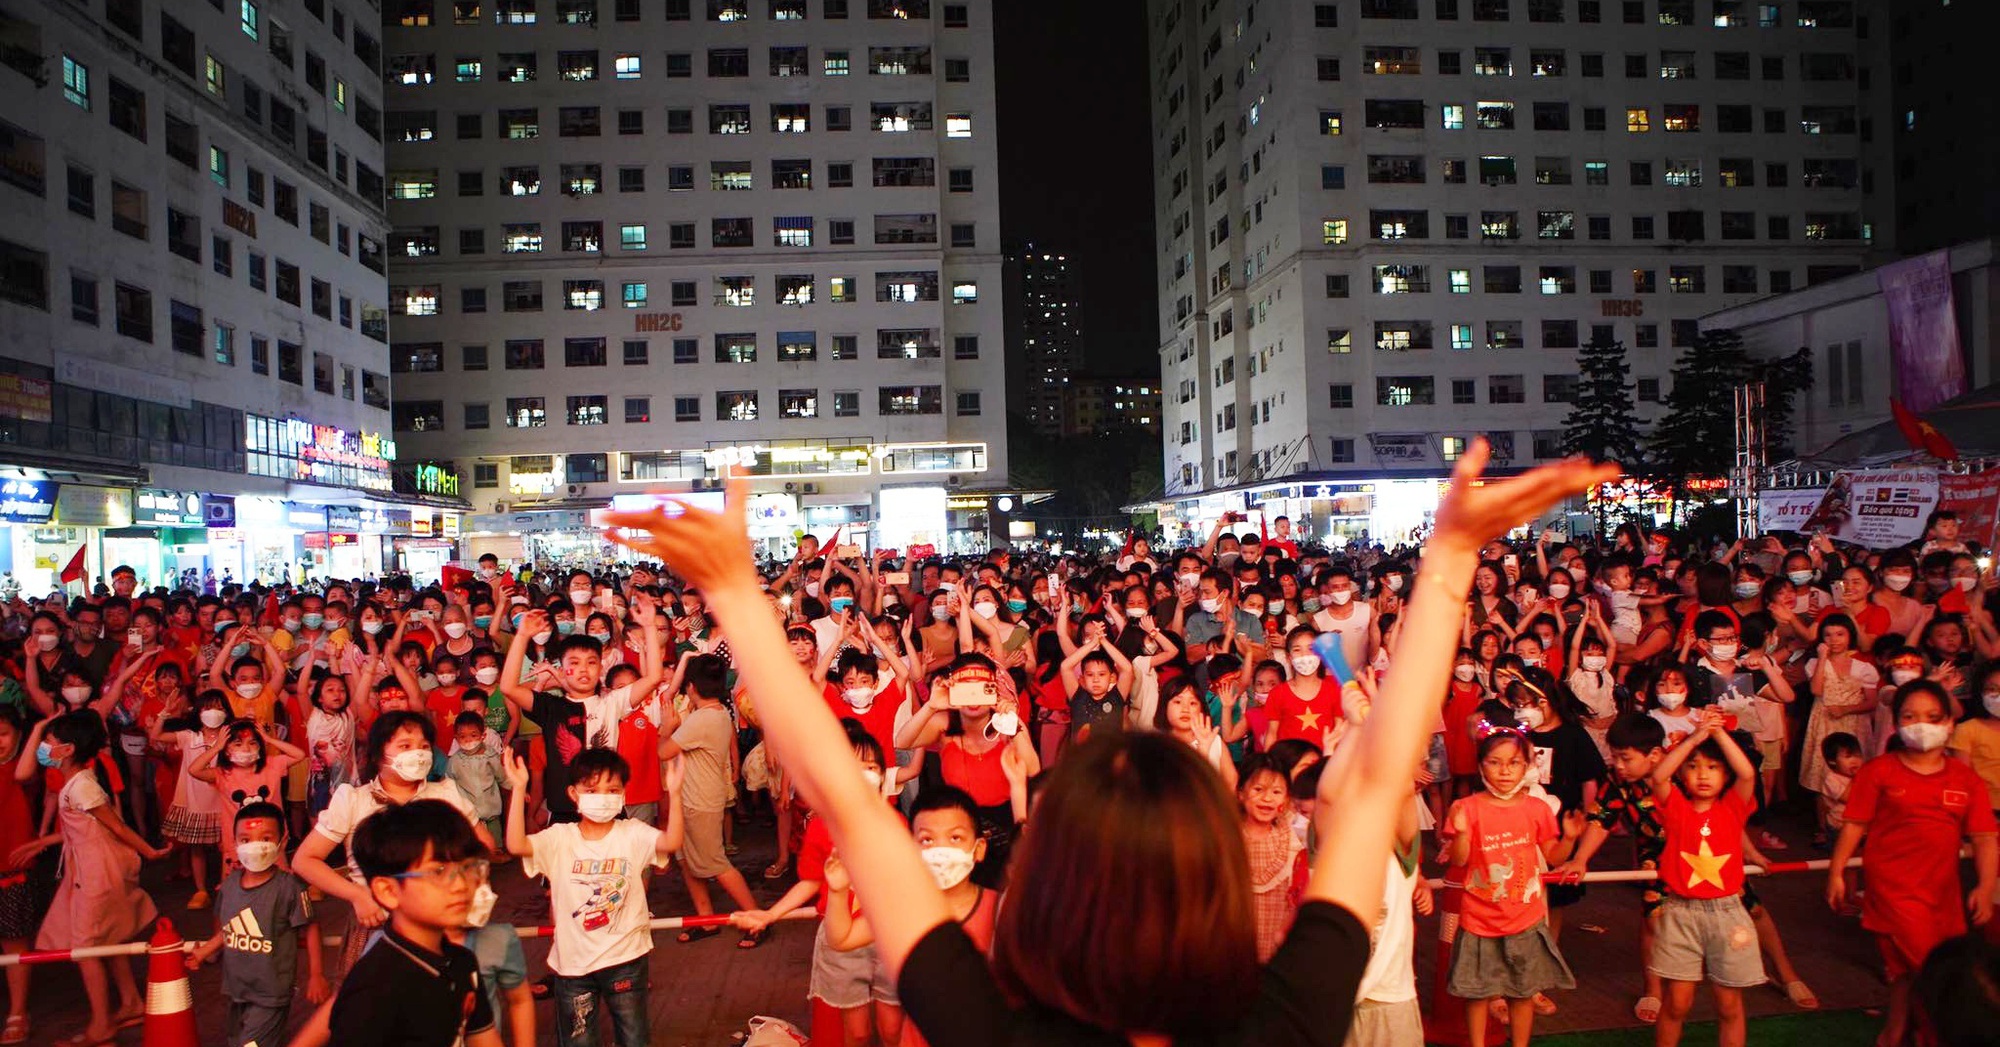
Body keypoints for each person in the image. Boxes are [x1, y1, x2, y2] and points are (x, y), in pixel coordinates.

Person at [602, 437, 1615, 1046]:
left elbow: (847, 799)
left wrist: (735, 591)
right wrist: (1446, 565)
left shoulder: (983, 1031)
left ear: (1043, 890)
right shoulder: (1288, 1023)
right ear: (1218, 886)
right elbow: (1372, 788)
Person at [1827, 679, 1999, 1046]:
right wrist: (1837, 872)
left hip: (1944, 896)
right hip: (1893, 892)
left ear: (1949, 723)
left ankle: (1893, 1035)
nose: (1922, 724)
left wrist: (1985, 887)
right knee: (1937, 976)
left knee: (1907, 976)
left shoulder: (1965, 778)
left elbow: (1984, 837)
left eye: (1932, 717)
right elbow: (1855, 825)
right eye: (1910, 716)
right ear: (1897, 722)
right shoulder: (1879, 772)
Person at [503, 747, 684, 1047]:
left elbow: (672, 841)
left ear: (624, 793)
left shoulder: (633, 833)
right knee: (579, 1042)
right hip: (573, 967)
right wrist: (519, 787)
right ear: (573, 794)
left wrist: (675, 795)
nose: (603, 796)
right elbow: (516, 845)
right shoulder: (559, 838)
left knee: (634, 1038)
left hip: (626, 958)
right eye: (592, 789)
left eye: (612, 789)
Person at [12, 711, 168, 1045]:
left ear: (67, 749)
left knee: (86, 951)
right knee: (107, 940)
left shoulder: (82, 786)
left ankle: (102, 1025)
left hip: (97, 875)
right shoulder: (76, 782)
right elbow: (83, 828)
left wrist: (150, 852)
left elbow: (115, 826)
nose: (44, 747)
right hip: (90, 870)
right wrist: (42, 841)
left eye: (49, 742)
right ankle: (130, 1002)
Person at [325, 799, 503, 1047]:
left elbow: (484, 1038)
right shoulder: (373, 991)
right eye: (438, 871)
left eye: (468, 867)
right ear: (388, 891)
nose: (462, 885)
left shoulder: (462, 962)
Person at [1444, 727, 1582, 1047]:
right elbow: (1460, 860)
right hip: (1479, 919)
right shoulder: (1466, 808)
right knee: (1477, 994)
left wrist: (1571, 838)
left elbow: (1552, 855)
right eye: (1495, 762)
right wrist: (1462, 833)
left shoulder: (1537, 809)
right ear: (1481, 766)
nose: (1505, 770)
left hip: (1525, 918)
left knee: (1522, 993)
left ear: (1527, 766)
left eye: (1514, 763)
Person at [1645, 710, 1762, 1047]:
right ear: (1683, 773)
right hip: (1681, 913)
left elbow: (1747, 773)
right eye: (1693, 767)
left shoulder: (1732, 808)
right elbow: (1659, 776)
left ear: (1725, 774)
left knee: (1728, 1004)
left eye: (1712, 767)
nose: (1703, 775)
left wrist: (1719, 732)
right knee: (1677, 1002)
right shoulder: (1677, 808)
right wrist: (1697, 736)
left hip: (1728, 914)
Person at [185, 802, 330, 1047]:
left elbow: (311, 927)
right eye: (245, 839)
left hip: (271, 993)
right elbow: (230, 929)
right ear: (233, 843)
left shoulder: (290, 888)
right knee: (238, 1041)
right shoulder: (230, 886)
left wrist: (316, 974)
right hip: (235, 988)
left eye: (265, 837)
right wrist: (204, 952)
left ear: (282, 841)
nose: (255, 845)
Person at [656, 653, 760, 944]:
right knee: (688, 861)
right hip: (695, 797)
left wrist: (667, 727)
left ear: (691, 687)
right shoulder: (718, 714)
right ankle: (705, 919)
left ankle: (756, 917)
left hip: (699, 800)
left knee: (714, 862)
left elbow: (663, 751)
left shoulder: (701, 719)